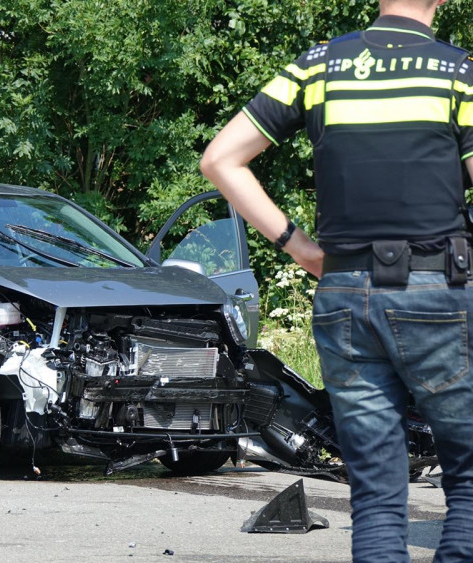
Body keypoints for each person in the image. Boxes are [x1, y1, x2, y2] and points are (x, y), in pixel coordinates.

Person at [200, 1, 473, 561]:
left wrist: (300, 249)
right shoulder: (459, 72)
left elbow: (221, 159)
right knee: (468, 476)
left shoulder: (317, 66)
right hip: (437, 291)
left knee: (375, 492)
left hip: (344, 293)